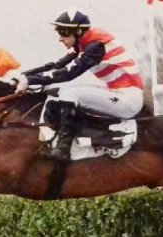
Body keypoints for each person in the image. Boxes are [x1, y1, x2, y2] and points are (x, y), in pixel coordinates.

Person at [22, 8, 144, 160]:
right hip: (118, 94)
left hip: (128, 99)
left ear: (79, 31)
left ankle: (64, 147)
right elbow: (55, 66)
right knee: (59, 90)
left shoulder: (96, 45)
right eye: (59, 32)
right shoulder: (84, 44)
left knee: (69, 92)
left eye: (64, 32)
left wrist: (30, 81)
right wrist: (23, 76)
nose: (60, 38)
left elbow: (70, 73)